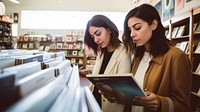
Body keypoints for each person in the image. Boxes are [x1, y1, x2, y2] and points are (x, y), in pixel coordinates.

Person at [120, 3, 191, 112]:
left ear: (153, 24)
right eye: (130, 30)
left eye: (137, 28)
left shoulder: (176, 57)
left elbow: (184, 106)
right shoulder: (138, 56)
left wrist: (160, 103)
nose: (132, 34)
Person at [84, 14, 131, 112]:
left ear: (109, 29)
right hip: (94, 105)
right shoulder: (101, 53)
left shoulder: (124, 53)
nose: (96, 40)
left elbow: (123, 91)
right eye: (92, 37)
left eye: (98, 33)